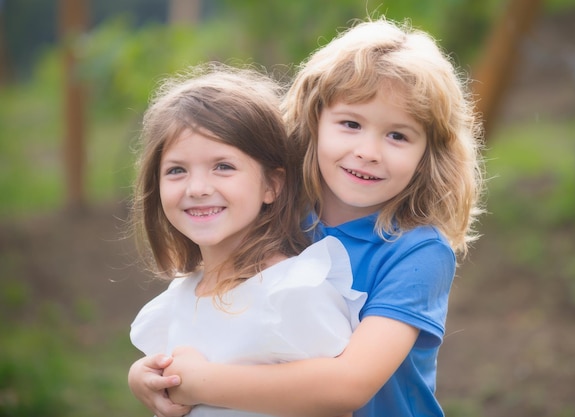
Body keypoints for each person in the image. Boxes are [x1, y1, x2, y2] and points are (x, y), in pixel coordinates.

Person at [129, 16, 484, 417]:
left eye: (397, 135)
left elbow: (348, 385)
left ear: (427, 156)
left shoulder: (418, 252)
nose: (368, 150)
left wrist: (196, 383)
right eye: (350, 124)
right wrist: (153, 375)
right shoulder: (280, 214)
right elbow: (222, 315)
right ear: (314, 123)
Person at [126, 63, 366, 417]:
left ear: (272, 185)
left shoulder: (294, 290)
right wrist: (146, 379)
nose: (197, 189)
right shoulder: (177, 298)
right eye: (177, 170)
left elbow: (333, 404)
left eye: (223, 166)